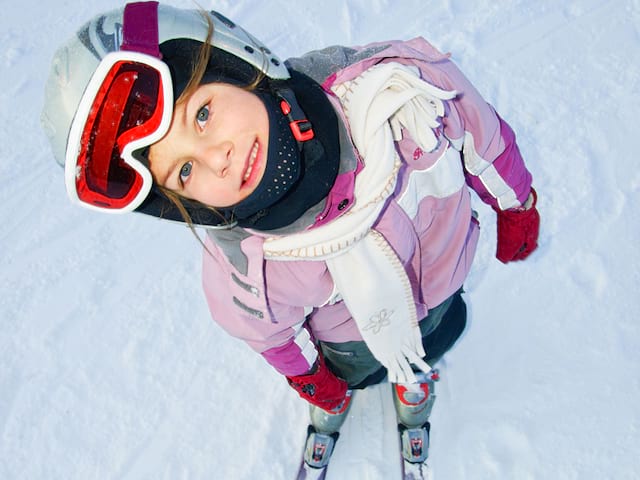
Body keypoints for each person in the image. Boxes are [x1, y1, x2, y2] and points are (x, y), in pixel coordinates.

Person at [41, 1, 540, 469]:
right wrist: (312, 378)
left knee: (436, 338)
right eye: (186, 171)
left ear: (238, 64)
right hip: (352, 341)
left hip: (443, 283)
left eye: (203, 113)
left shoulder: (404, 96)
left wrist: (516, 204)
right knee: (356, 371)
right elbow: (271, 334)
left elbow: (484, 138)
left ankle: (413, 381)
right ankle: (350, 391)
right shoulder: (246, 272)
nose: (217, 157)